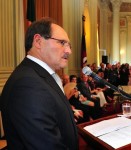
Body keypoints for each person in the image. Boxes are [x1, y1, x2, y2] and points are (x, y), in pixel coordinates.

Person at [0, 18, 78, 149]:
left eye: (69, 45)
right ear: (38, 41)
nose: (68, 51)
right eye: (62, 43)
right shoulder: (27, 84)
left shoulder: (40, 76)